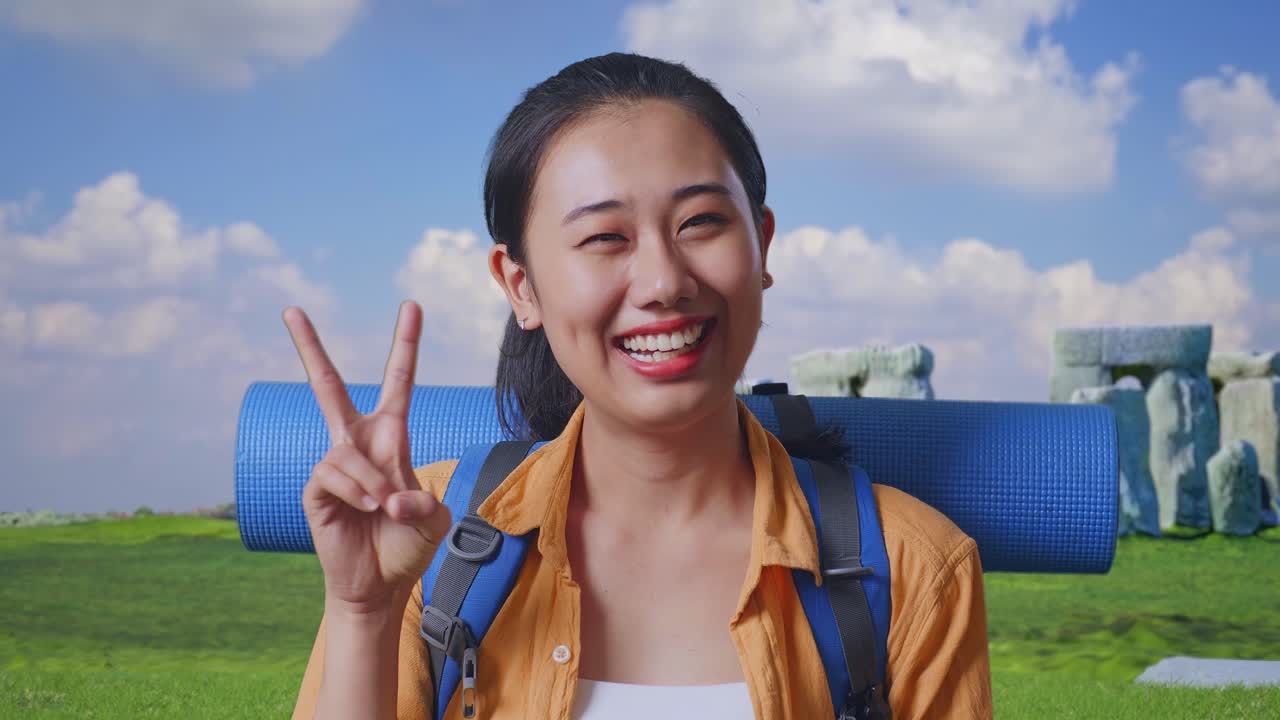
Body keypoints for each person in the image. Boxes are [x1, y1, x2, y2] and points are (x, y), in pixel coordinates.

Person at [287, 52, 992, 720]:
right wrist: (363, 613)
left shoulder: (914, 567)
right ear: (521, 286)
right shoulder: (424, 545)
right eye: (604, 238)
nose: (663, 283)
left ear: (763, 245)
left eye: (702, 223)